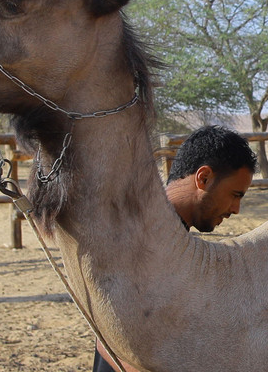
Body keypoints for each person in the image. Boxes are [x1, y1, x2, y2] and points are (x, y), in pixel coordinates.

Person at [92, 125, 257, 372]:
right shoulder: (146, 237)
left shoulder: (162, 230)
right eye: (235, 194)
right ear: (204, 178)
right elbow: (110, 332)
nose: (236, 209)